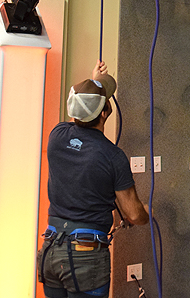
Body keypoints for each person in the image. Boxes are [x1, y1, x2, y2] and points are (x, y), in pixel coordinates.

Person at [37, 61, 149, 298]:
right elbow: (134, 214)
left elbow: (80, 112)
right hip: (85, 258)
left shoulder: (57, 136)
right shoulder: (112, 156)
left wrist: (93, 83)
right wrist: (144, 213)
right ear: (105, 113)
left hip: (51, 250)